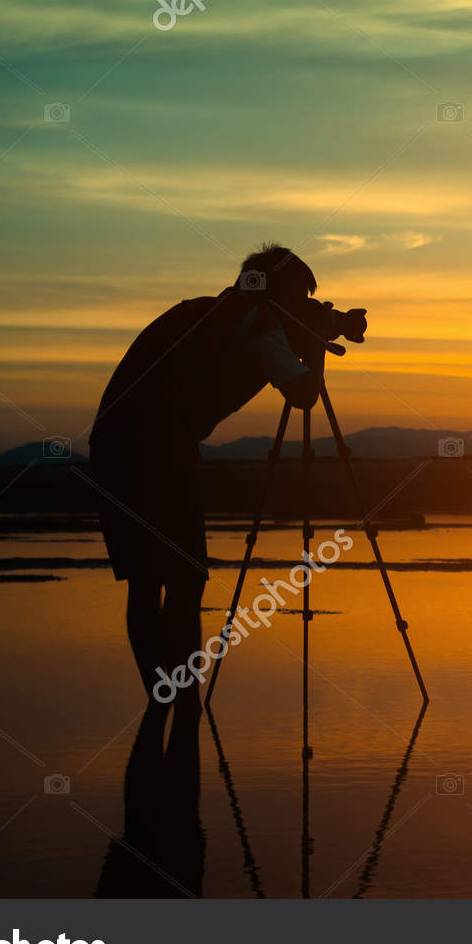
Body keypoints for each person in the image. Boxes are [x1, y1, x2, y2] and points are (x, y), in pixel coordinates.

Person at [84, 244, 326, 702]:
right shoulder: (257, 323)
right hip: (155, 452)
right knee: (186, 577)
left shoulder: (211, 312)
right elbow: (303, 394)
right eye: (300, 299)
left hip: (115, 448)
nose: (302, 309)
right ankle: (183, 703)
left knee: (147, 580)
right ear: (278, 295)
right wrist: (316, 347)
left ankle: (163, 701)